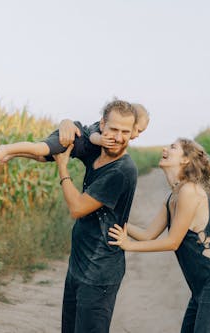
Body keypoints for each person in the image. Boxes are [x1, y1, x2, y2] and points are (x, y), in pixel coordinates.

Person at [107, 138, 210, 333]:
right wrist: (115, 224)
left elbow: (173, 242)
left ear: (185, 160)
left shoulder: (190, 191)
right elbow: (147, 235)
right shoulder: (173, 196)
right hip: (201, 288)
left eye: (173, 147)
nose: (164, 148)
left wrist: (128, 245)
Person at [53, 100, 139, 333]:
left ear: (132, 134)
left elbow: (77, 208)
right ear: (103, 125)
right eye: (113, 129)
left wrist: (62, 168)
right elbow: (80, 131)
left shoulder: (122, 171)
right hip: (78, 266)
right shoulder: (98, 154)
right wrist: (65, 122)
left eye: (125, 132)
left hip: (99, 274)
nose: (119, 137)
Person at [0, 103, 149, 164]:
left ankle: (13, 154)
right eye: (138, 130)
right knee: (40, 148)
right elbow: (93, 137)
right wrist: (101, 140)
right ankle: (7, 148)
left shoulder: (116, 137)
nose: (137, 135)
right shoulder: (100, 130)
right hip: (73, 137)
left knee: (41, 158)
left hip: (75, 149)